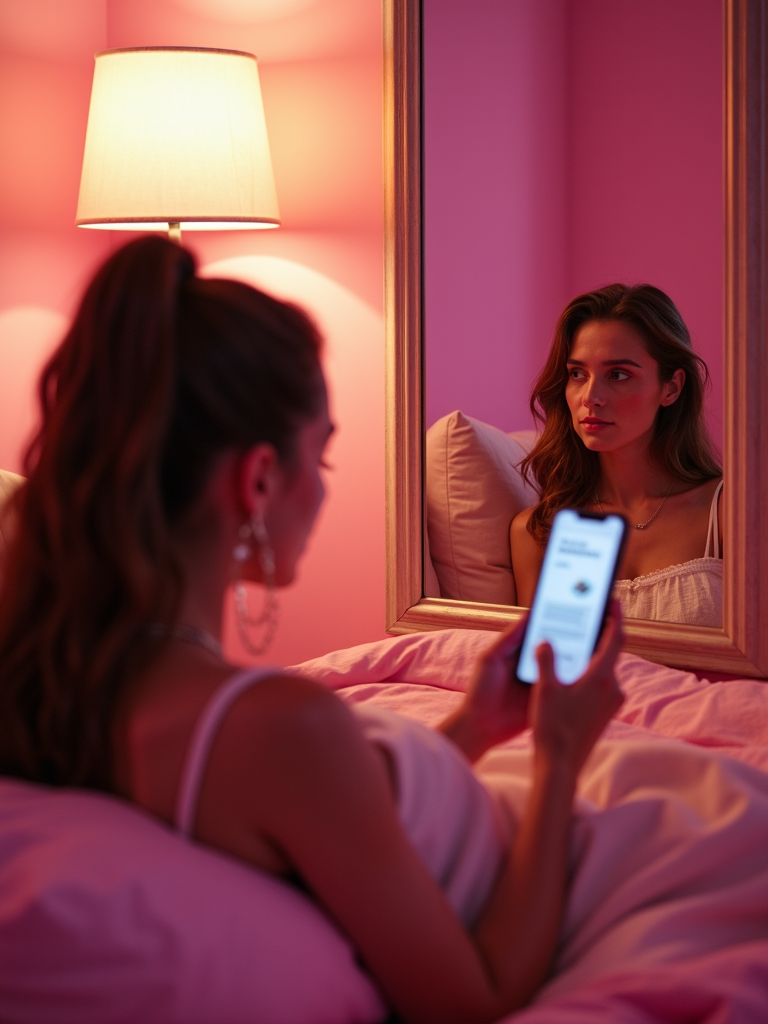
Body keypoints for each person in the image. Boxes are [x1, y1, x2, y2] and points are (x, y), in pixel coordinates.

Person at [0, 237, 625, 1024]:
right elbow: (477, 994)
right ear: (259, 478)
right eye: (322, 458)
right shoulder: (273, 725)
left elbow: (313, 832)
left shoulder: (50, 674)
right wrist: (561, 751)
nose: (324, 493)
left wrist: (473, 724)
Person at [510, 284, 723, 627]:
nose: (591, 396)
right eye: (577, 374)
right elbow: (542, 671)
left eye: (619, 375)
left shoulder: (727, 512)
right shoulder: (538, 532)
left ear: (671, 388)